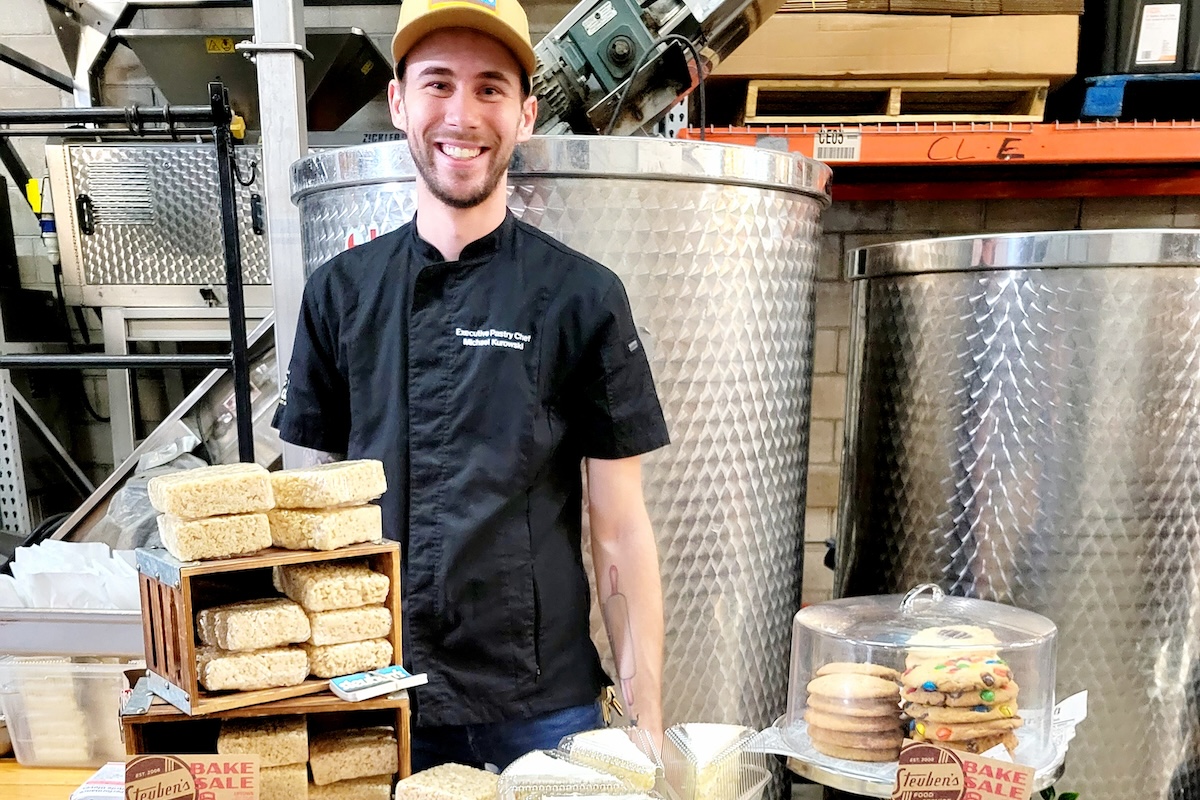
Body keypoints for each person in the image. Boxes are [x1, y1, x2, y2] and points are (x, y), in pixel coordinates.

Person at [271, 0, 671, 772]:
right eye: (438, 84)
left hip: (544, 709)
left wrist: (645, 723)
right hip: (377, 696)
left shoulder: (583, 296)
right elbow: (308, 522)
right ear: (398, 102)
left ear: (525, 113)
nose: (462, 114)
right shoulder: (339, 294)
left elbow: (620, 528)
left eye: (490, 88)